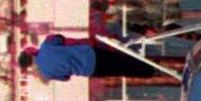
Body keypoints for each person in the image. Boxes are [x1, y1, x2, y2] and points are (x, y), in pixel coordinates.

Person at [19, 34, 162, 81]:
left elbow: (66, 78)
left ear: (29, 66)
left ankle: (150, 73)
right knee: (122, 59)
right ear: (30, 53)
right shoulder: (46, 46)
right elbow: (59, 38)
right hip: (89, 53)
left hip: (89, 70)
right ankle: (152, 65)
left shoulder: (47, 73)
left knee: (121, 71)